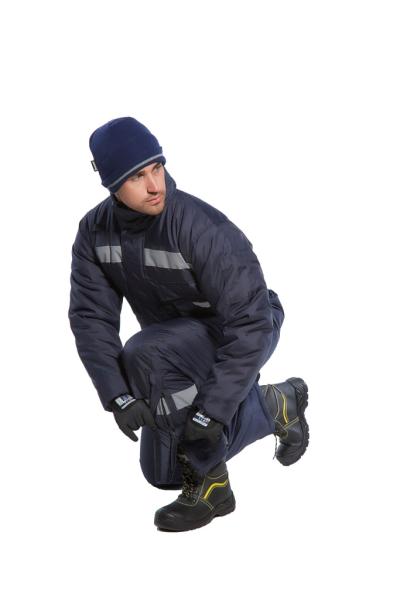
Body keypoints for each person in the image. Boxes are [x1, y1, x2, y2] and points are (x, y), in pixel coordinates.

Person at [68, 115, 310, 533]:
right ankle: (275, 405)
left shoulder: (201, 227)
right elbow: (91, 318)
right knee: (162, 473)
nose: (154, 185)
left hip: (246, 326)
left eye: (157, 168)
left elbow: (251, 323)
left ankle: (213, 488)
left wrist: (211, 414)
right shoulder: (94, 232)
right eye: (136, 177)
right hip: (174, 346)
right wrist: (118, 397)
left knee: (145, 353)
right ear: (111, 183)